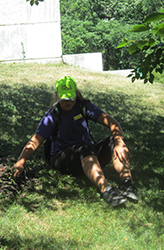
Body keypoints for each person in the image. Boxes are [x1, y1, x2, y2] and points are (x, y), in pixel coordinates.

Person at [12, 76, 138, 207]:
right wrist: (21, 161)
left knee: (112, 141)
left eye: (71, 98)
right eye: (64, 98)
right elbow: (36, 140)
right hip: (62, 158)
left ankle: (127, 184)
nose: (68, 102)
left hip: (88, 153)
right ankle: (106, 190)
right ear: (57, 96)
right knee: (85, 147)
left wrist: (119, 142)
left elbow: (112, 122)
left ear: (77, 94)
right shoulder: (52, 115)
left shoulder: (84, 107)